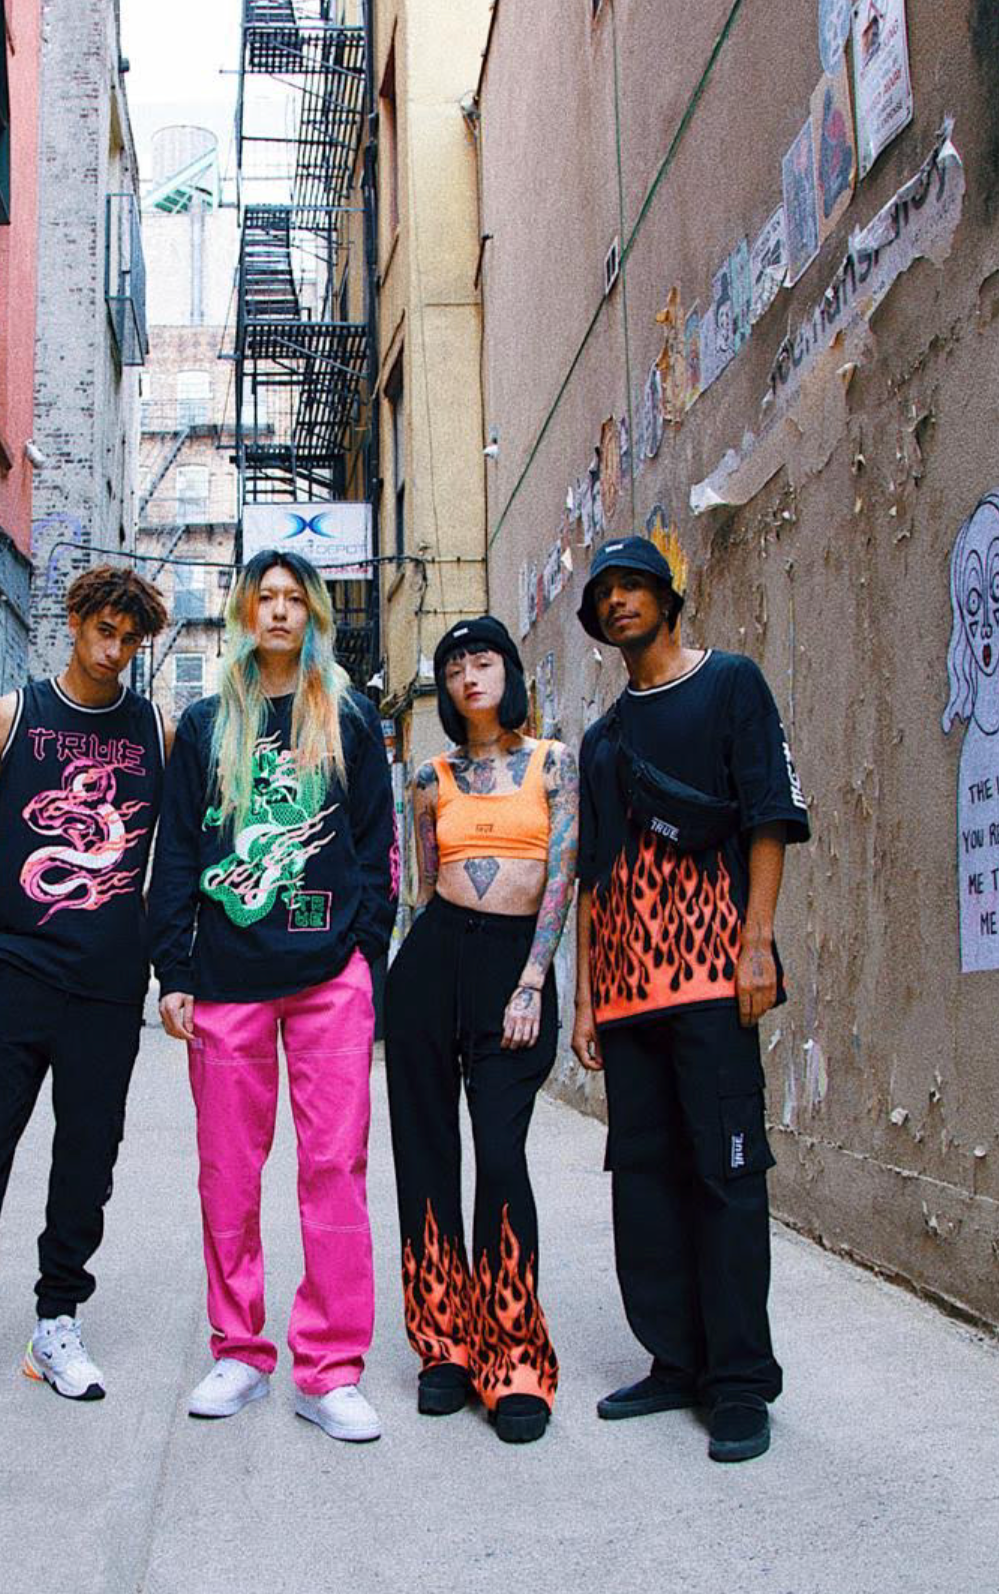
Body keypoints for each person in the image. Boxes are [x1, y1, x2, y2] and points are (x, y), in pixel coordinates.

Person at [0, 565, 170, 1444]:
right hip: (20, 974)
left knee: (87, 1160)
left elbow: (167, 848)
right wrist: (8, 915)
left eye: (129, 638)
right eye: (104, 630)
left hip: (109, 986)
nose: (114, 649)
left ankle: (56, 1324)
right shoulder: (13, 717)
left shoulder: (154, 730)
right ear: (77, 623)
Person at [148, 548, 396, 1444]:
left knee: (334, 1171)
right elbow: (178, 848)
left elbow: (378, 845)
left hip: (330, 979)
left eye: (295, 598)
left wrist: (364, 955)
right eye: (266, 598)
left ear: (314, 614)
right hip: (226, 980)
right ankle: (241, 1354)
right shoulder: (207, 724)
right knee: (228, 1172)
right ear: (244, 615)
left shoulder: (349, 718)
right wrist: (173, 970)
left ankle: (329, 1370)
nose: (280, 611)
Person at [570, 538, 810, 1464]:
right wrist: (587, 1001)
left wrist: (757, 944)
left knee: (726, 1174)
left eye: (634, 585)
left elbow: (768, 816)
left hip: (714, 981)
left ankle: (739, 1381)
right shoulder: (602, 741)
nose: (619, 601)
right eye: (605, 593)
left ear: (669, 600)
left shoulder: (731, 685)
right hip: (628, 999)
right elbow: (593, 877)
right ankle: (675, 1361)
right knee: (644, 1182)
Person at [385, 616, 577, 1445]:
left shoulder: (554, 762)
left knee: (499, 1153)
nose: (469, 675)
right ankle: (445, 1347)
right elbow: (424, 887)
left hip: (514, 967)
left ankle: (516, 1357)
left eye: (483, 659)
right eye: (455, 664)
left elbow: (561, 877)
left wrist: (532, 980)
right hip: (434, 963)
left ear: (509, 672)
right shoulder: (429, 778)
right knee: (426, 1151)